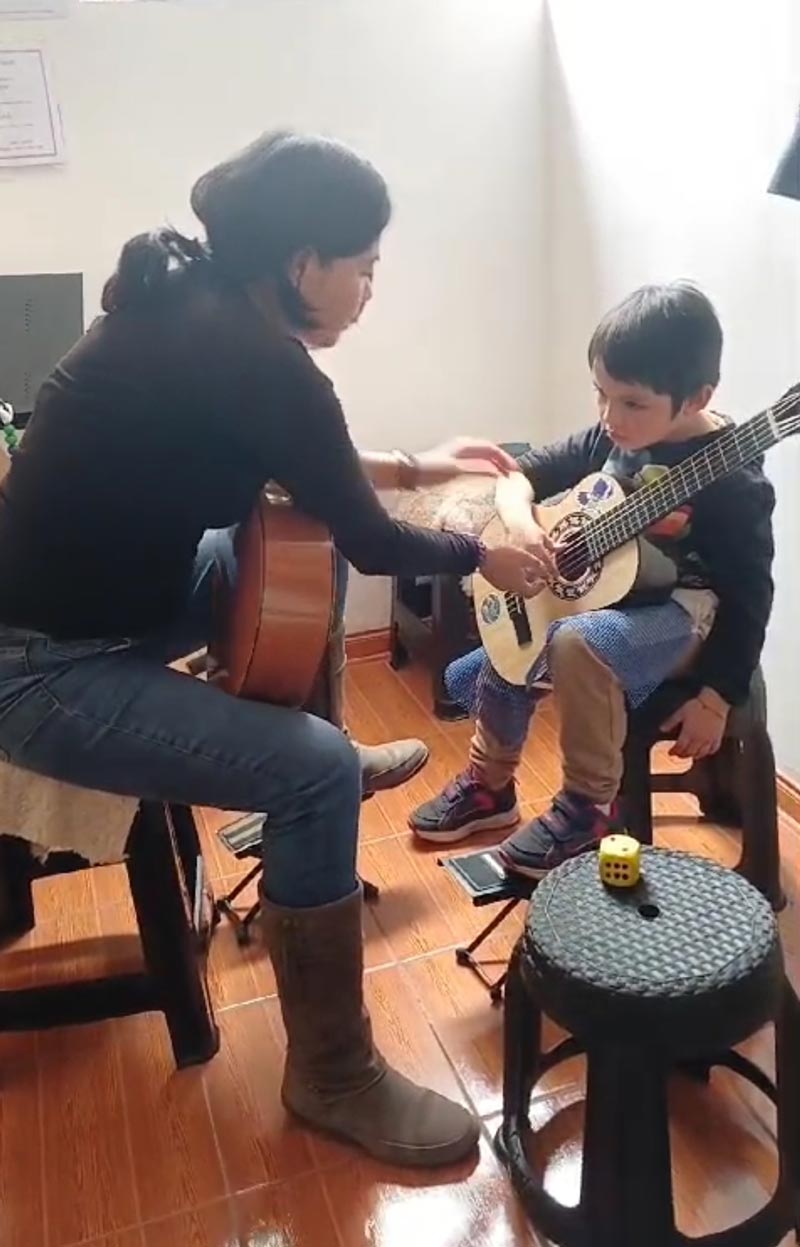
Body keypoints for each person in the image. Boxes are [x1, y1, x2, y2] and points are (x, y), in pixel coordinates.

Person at [0, 131, 545, 1168]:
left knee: (296, 542)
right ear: (303, 263)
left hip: (110, 602)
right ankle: (331, 1070)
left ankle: (291, 761)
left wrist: (415, 463)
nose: (370, 290)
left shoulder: (192, 303)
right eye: (365, 267)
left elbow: (307, 470)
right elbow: (375, 538)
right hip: (41, 668)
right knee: (317, 770)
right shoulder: (256, 360)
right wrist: (485, 554)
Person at [410, 282, 776, 878]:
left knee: (578, 640)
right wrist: (522, 526)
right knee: (510, 642)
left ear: (697, 397)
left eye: (632, 403)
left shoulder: (732, 482)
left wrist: (716, 698)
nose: (610, 417)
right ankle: (490, 786)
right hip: (616, 600)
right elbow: (517, 475)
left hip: (687, 618)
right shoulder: (611, 438)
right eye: (601, 394)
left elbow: (751, 596)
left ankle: (589, 808)